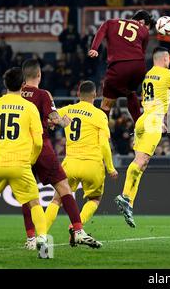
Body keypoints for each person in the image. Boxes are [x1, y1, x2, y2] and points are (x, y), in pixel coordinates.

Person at [114, 47, 170, 228]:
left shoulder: (148, 75)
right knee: (141, 162)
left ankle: (129, 204)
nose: (169, 61)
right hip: (152, 121)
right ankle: (124, 196)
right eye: (168, 58)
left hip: (143, 120)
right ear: (164, 58)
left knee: (142, 165)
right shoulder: (167, 73)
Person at [20, 59, 102, 250]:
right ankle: (79, 230)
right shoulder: (43, 94)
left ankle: (31, 238)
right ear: (39, 74)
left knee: (27, 193)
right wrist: (65, 121)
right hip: (40, 147)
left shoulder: (14, 94)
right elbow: (56, 120)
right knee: (63, 188)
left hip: (19, 149)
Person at [0, 67, 48, 258]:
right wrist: (31, 159)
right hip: (20, 164)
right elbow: (39, 141)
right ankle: (42, 241)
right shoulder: (30, 107)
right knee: (34, 202)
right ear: (23, 85)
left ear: (5, 84)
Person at [46, 81, 118, 234]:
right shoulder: (99, 115)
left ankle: (41, 233)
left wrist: (50, 123)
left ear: (78, 94)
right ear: (95, 95)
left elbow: (49, 120)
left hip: (70, 163)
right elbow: (104, 144)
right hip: (92, 165)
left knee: (57, 199)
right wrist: (110, 168)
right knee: (94, 199)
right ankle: (76, 226)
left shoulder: (67, 110)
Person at [88, 10, 153, 123]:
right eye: (148, 26)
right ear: (141, 22)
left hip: (119, 66)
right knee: (130, 92)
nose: (147, 29)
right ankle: (139, 126)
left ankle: (102, 133)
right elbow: (143, 51)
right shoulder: (144, 31)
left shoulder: (110, 23)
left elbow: (100, 33)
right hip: (139, 67)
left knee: (106, 104)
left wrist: (94, 48)